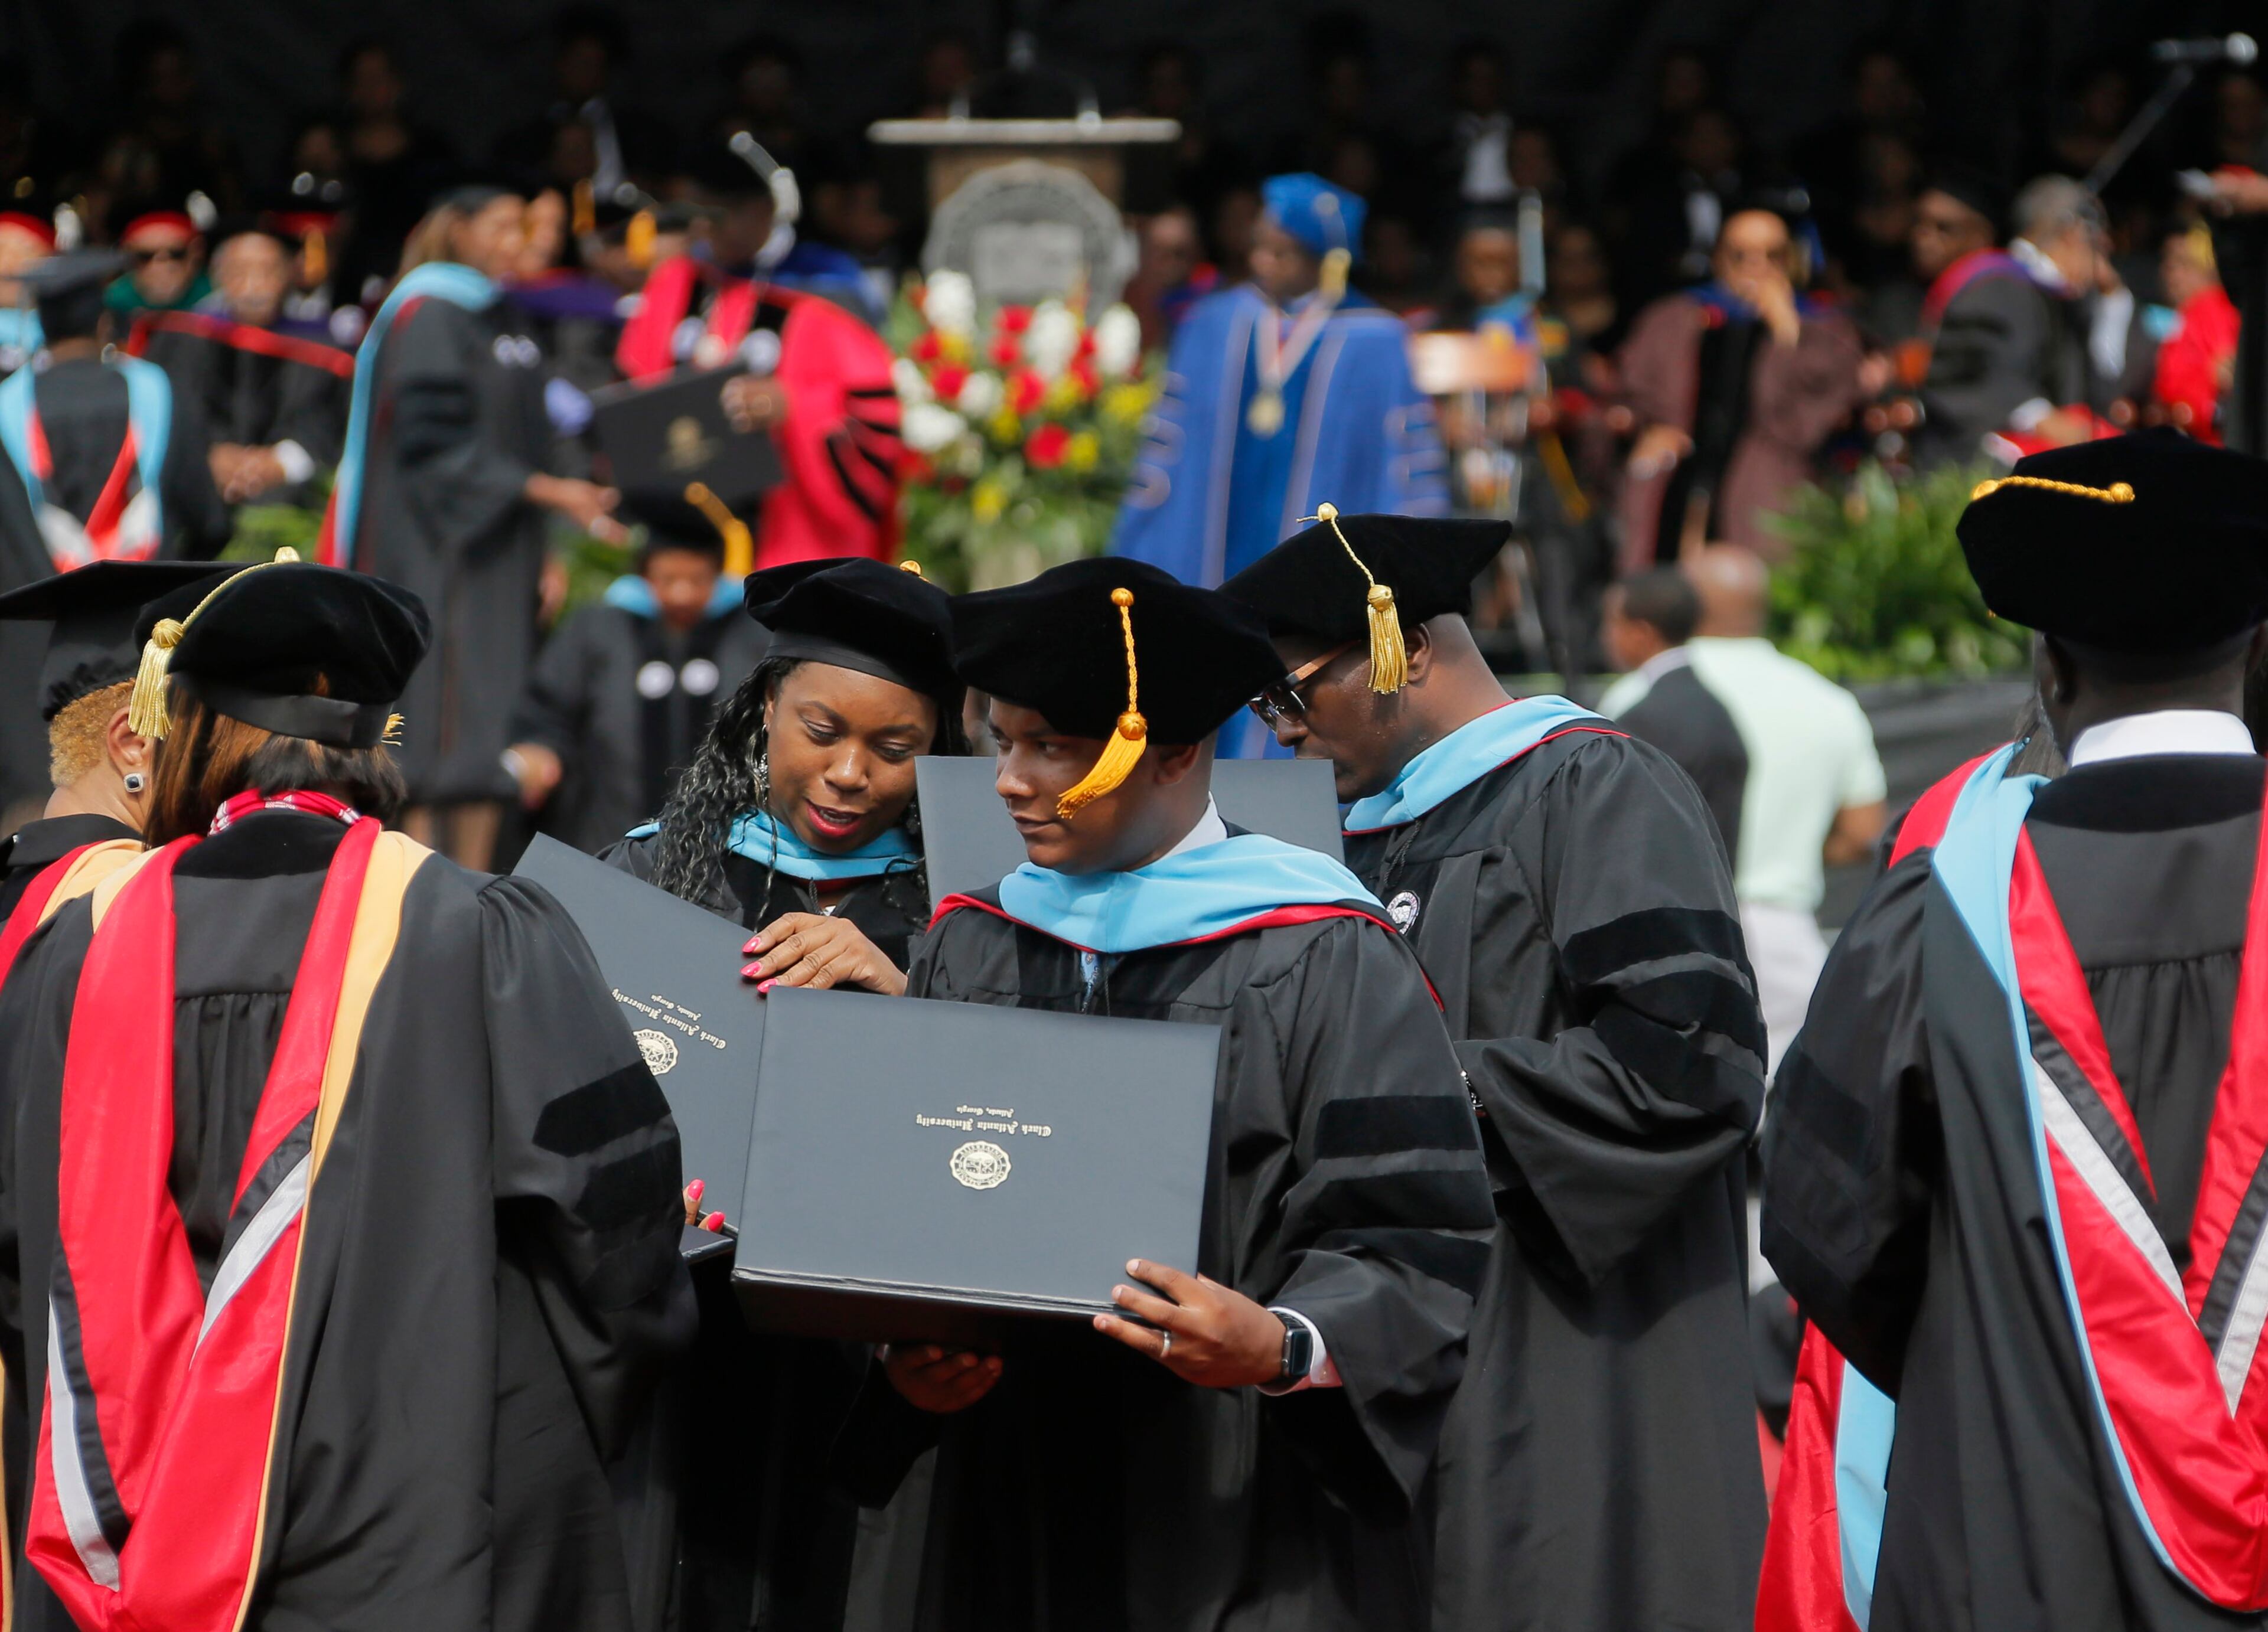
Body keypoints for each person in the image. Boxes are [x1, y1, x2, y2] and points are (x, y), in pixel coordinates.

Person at [0, 556, 692, 1631]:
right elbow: (617, 1237)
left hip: (107, 1519)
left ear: (185, 730)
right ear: (376, 741)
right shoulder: (476, 929)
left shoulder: (74, 945)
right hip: (414, 1525)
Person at [838, 556, 1493, 1630]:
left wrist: (1284, 1340)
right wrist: (904, 1359)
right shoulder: (976, 938)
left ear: (1177, 751)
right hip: (1007, 1495)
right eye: (1004, 739)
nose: (1009, 779)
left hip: (1238, 1501)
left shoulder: (1324, 948)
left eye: (1053, 745)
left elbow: (1415, 1228)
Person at [1759, 428, 2268, 1631]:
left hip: (2012, 1532)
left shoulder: (1942, 904)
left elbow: (1825, 1223)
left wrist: (2002, 1340)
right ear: (2256, 642)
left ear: (2047, 669)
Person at [1223, 511, 1767, 1632]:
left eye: (1294, 694)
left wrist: (1406, 1097)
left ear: (1404, 646)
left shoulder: (1599, 787)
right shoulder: (1337, 841)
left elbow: (1689, 1064)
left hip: (1559, 1334)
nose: (1279, 732)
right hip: (1380, 1347)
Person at [604, 554, 958, 1629]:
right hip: (678, 1334)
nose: (852, 772)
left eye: (895, 748)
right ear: (764, 708)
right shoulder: (652, 874)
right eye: (822, 730)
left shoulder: (966, 914)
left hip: (866, 1359)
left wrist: (900, 988)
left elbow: (1002, 1122)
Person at [324, 182, 622, 870]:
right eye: (504, 225)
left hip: (500, 550)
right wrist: (549, 493)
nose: (523, 239)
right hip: (440, 554)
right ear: (457, 231)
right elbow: (431, 448)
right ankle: (424, 884)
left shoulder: (502, 314)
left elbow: (531, 438)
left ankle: (480, 885)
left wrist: (543, 545)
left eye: (526, 226)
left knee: (494, 722)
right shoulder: (430, 312)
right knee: (438, 727)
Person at [1110, 172, 1449, 596]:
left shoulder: (1374, 340)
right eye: (1259, 246)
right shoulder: (1212, 324)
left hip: (1322, 575)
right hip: (1211, 562)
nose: (1260, 262)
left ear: (1322, 262)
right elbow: (1168, 450)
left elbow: (1403, 466)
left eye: (1280, 253)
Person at [0, 252, 230, 818]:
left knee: (43, 803)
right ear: (105, 322)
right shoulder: (159, 392)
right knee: (154, 788)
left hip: (35, 646)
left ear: (40, 326)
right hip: (146, 629)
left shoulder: (6, 406)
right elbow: (208, 519)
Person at [614, 138, 904, 568]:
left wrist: (793, 406)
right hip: (684, 533)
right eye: (699, 217)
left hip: (790, 530)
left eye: (720, 215)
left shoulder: (827, 289)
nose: (706, 232)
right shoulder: (677, 282)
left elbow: (875, 419)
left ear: (764, 210)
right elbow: (633, 384)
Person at [1670, 544, 1885, 1075]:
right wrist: (1795, 852)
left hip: (1678, 931)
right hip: (1787, 936)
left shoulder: (1647, 693)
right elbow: (1864, 831)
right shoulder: (1826, 699)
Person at [507, 495, 768, 855]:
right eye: (668, 578)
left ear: (718, 574)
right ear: (645, 574)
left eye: (697, 579)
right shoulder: (599, 628)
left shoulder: (752, 634)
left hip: (729, 843)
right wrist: (540, 750)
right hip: (607, 826)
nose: (682, 593)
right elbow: (549, 709)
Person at [1616, 201, 1869, 566]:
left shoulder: (1823, 329)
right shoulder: (1674, 319)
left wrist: (1786, 332)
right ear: (1718, 258)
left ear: (1793, 261)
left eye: (1773, 255)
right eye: (1740, 255)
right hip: (1681, 481)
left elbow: (1822, 413)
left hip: (1768, 484)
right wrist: (1650, 428)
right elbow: (1632, 394)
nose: (1757, 267)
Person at [0, 560, 233, 919]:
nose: (247, 767)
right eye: (221, 741)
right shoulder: (148, 905)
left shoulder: (19, 885)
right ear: (134, 745)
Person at [126, 220, 354, 507]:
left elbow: (327, 422)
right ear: (219, 277)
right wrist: (208, 454)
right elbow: (172, 414)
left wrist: (283, 461)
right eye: (240, 271)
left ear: (289, 275)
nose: (253, 285)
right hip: (203, 496)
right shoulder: (186, 340)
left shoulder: (323, 348)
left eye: (267, 271)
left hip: (292, 500)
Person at [1905, 168, 2062, 466]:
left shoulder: (1992, 289)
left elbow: (1983, 372)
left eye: (1944, 228)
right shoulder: (1961, 287)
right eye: (1919, 223)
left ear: (1981, 234)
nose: (1924, 238)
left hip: (1978, 461)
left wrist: (2033, 414)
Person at [1598, 563, 1747, 861]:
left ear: (1641, 633)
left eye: (1613, 623)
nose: (1605, 636)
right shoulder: (1717, 709)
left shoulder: (1643, 719)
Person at [2006, 174, 2149, 425]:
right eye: (2097, 235)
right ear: (2071, 232)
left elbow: (2110, 388)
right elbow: (1993, 379)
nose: (2106, 245)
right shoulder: (2003, 285)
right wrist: (2044, 422)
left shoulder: (2069, 300)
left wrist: (2113, 297)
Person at [2152, 220, 2240, 443]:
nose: (2172, 275)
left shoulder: (2212, 309)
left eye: (2183, 265)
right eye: (2169, 264)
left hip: (2208, 441)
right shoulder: (2189, 313)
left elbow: (2224, 372)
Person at [103, 200, 213, 319]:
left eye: (176, 254)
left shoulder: (214, 298)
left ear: (195, 253)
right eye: (145, 256)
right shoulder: (113, 301)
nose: (161, 265)